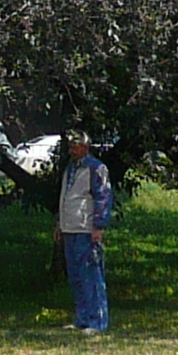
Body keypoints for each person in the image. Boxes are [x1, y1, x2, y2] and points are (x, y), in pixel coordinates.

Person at [54, 136, 115, 334]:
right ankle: (82, 318)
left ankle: (97, 321)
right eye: (70, 146)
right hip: (70, 227)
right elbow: (65, 197)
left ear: (86, 147)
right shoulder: (70, 169)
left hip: (86, 229)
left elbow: (103, 198)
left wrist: (98, 225)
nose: (72, 150)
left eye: (76, 146)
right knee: (76, 276)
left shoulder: (96, 168)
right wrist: (59, 223)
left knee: (91, 274)